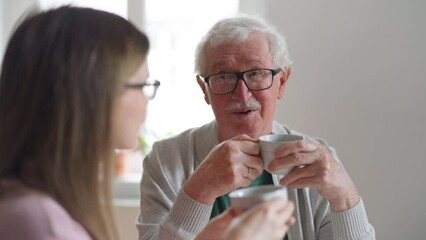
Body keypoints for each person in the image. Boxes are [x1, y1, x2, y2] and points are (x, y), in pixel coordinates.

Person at [0, 6, 295, 240]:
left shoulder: (37, 206)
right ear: (91, 94)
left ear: (282, 82)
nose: (146, 101)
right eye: (140, 85)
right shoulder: (39, 222)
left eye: (256, 73)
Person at [137, 14, 376, 240]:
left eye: (257, 73)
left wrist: (345, 196)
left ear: (281, 82)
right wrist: (199, 189)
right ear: (204, 89)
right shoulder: (166, 160)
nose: (242, 93)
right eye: (223, 76)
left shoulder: (317, 161)